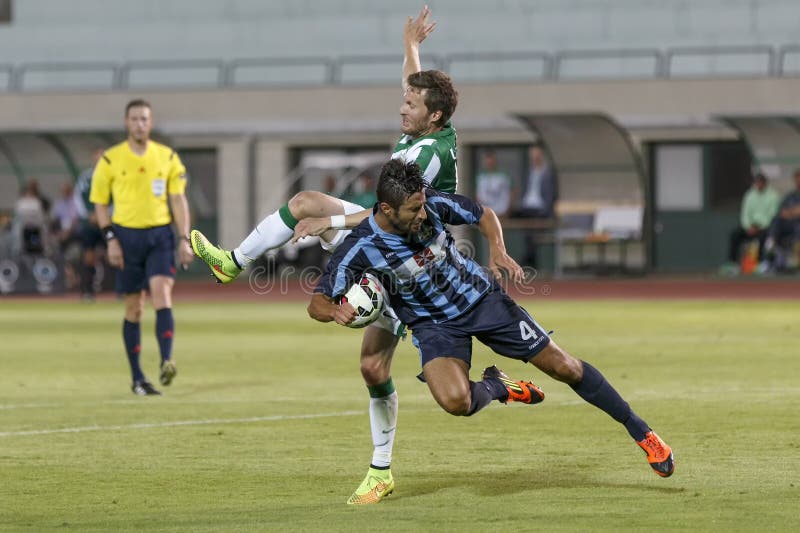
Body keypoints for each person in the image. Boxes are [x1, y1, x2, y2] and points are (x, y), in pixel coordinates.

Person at [191, 5, 460, 505]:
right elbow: (413, 89)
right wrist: (410, 47)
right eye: (404, 100)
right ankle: (232, 262)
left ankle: (384, 464)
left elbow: (387, 214)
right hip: (386, 245)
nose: (402, 107)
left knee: (381, 369)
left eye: (411, 103)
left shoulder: (423, 156)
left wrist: (329, 224)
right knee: (304, 205)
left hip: (409, 269)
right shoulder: (428, 131)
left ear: (434, 115)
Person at [309, 159, 675, 495]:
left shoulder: (432, 204)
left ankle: (643, 433)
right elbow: (318, 304)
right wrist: (337, 312)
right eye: (414, 209)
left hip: (483, 300)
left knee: (565, 367)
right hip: (433, 325)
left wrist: (497, 248)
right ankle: (498, 386)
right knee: (455, 402)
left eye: (422, 204)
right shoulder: (359, 248)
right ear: (386, 209)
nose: (423, 213)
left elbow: (483, 214)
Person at [89, 99, 194, 396]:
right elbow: (99, 203)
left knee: (162, 294)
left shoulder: (167, 157)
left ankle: (166, 361)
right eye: (134, 119)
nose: (139, 124)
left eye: (144, 119)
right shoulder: (110, 160)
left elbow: (178, 200)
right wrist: (110, 239)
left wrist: (184, 238)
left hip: (160, 235)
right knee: (134, 307)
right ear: (126, 122)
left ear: (151, 122)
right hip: (125, 238)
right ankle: (137, 378)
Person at [515, 145, 556, 268]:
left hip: (540, 209)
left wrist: (547, 210)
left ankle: (528, 259)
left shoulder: (547, 172)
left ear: (541, 156)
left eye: (536, 156)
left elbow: (551, 194)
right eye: (532, 156)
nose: (534, 159)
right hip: (526, 207)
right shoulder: (528, 172)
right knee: (529, 233)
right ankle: (529, 259)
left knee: (532, 233)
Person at [727, 173, 779, 267]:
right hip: (749, 227)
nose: (758, 184)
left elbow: (772, 215)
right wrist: (748, 227)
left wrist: (759, 227)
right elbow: (745, 214)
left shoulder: (773, 196)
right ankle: (732, 263)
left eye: (761, 182)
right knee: (734, 234)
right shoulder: (749, 195)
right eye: (757, 182)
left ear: (765, 183)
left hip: (764, 227)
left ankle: (760, 263)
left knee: (765, 237)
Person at [74, 149, 105, 300]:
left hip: (108, 222)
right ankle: (87, 291)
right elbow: (78, 199)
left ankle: (122, 291)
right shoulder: (85, 178)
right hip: (90, 223)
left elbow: (120, 198)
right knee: (88, 256)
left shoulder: (114, 177)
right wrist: (88, 215)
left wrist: (105, 215)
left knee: (118, 254)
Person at [765, 169, 800, 270]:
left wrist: (791, 212)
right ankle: (770, 242)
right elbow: (782, 212)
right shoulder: (790, 196)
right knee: (776, 220)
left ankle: (794, 259)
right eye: (797, 179)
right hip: (789, 223)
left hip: (798, 225)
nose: (799, 182)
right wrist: (794, 212)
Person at [475, 150, 512, 216]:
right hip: (486, 212)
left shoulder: (504, 175)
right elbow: (478, 195)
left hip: (501, 211)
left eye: (491, 162)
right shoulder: (480, 176)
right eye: (488, 163)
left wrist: (508, 209)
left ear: (495, 161)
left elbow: (511, 192)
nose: (490, 164)